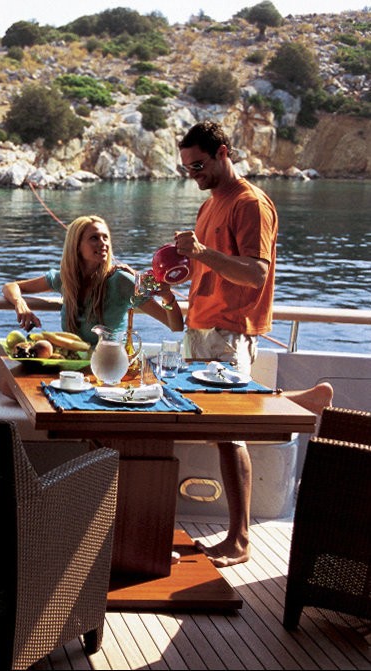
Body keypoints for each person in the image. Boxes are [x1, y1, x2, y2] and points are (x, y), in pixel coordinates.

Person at [174, 120, 281, 568]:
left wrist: (200, 252)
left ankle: (240, 540)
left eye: (199, 165)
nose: (194, 175)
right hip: (199, 329)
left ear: (223, 152)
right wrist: (171, 271)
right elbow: (209, 270)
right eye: (187, 169)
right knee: (215, 435)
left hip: (230, 333)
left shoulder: (250, 203)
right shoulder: (209, 205)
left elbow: (255, 273)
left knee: (230, 436)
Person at [3, 214, 185, 343]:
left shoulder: (121, 281)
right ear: (76, 246)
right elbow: (11, 286)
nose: (103, 243)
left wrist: (167, 297)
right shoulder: (66, 279)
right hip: (73, 365)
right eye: (94, 238)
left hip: (110, 368)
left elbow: (175, 326)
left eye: (106, 238)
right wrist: (20, 304)